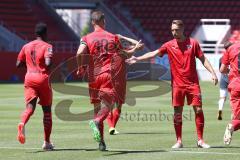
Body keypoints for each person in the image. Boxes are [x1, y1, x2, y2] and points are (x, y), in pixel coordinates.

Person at [127, 20, 218, 149]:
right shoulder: (169, 45)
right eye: (172, 30)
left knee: (198, 109)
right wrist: (137, 59)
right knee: (177, 112)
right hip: (177, 85)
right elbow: (153, 53)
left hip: (193, 84)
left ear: (182, 29)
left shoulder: (193, 43)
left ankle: (200, 140)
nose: (174, 32)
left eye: (176, 30)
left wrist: (213, 73)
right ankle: (179, 141)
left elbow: (203, 59)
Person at [76, 10, 143, 151]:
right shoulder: (112, 37)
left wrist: (80, 66)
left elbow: (79, 52)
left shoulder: (86, 37)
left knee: (96, 108)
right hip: (108, 74)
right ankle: (96, 121)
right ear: (103, 21)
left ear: (92, 22)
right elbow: (125, 55)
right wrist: (135, 49)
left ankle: (101, 142)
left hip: (93, 76)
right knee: (109, 105)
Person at [16, 23, 54, 150]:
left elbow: (18, 64)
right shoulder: (47, 46)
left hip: (29, 78)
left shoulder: (26, 46)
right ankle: (47, 142)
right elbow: (48, 63)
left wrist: (29, 65)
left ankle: (22, 123)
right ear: (45, 34)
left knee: (29, 108)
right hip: (42, 78)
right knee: (47, 112)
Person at [106, 34, 142, 135]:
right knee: (113, 105)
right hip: (113, 82)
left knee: (117, 106)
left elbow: (136, 45)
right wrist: (135, 47)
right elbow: (130, 52)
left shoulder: (119, 50)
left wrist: (123, 38)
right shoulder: (118, 52)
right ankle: (111, 127)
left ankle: (112, 127)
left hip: (120, 81)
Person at [220, 41, 240, 145]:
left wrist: (231, 71)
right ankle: (232, 126)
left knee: (237, 116)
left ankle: (232, 125)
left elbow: (222, 69)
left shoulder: (230, 49)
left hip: (235, 85)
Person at [217, 42, 232, 120]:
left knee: (222, 97)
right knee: (233, 97)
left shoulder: (221, 58)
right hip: (232, 78)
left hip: (223, 78)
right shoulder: (235, 56)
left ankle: (220, 111)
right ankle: (234, 114)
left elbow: (221, 70)